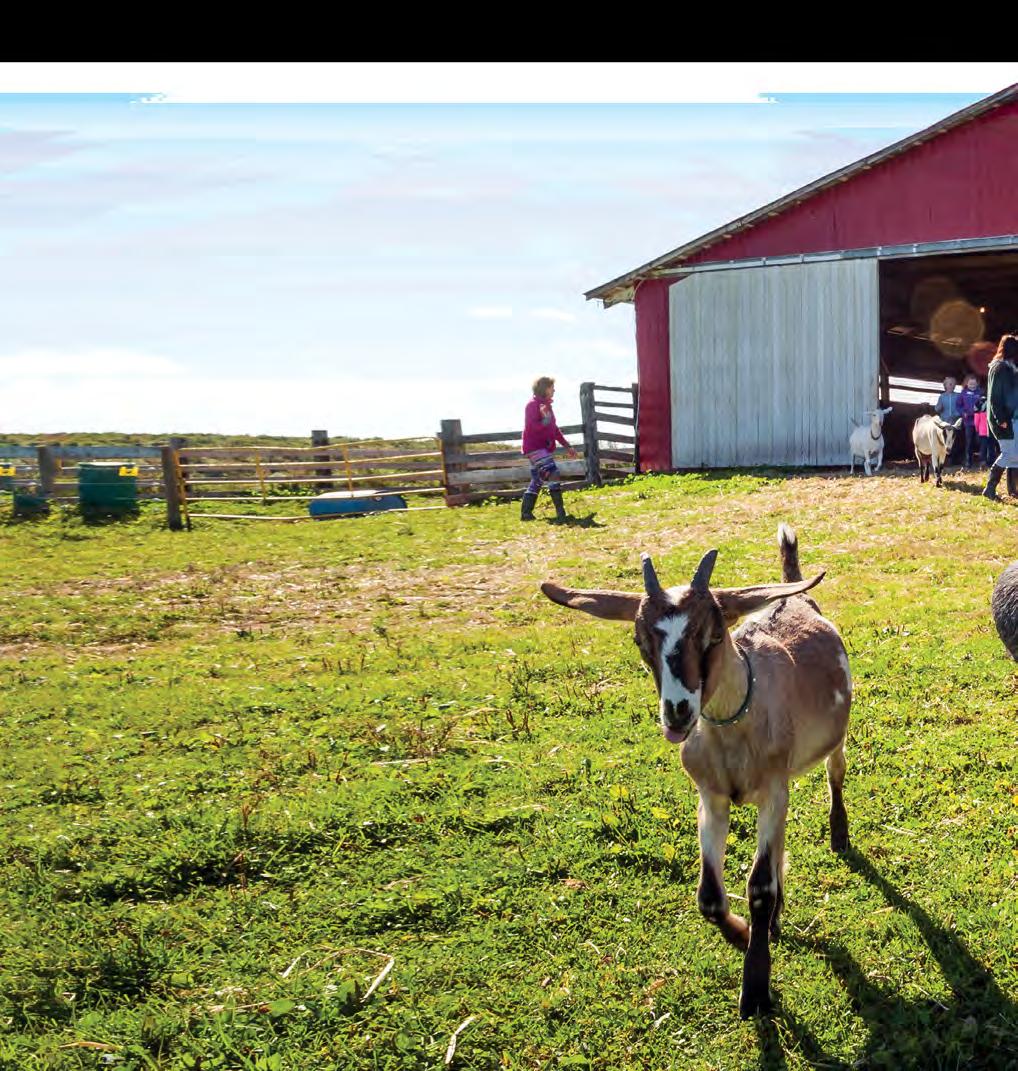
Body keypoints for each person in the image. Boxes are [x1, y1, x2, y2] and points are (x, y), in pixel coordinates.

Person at [521, 375, 578, 522]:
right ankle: (561, 513)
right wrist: (544, 422)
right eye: (552, 387)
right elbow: (531, 427)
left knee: (538, 479)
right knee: (553, 472)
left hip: (542, 448)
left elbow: (554, 429)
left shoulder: (546, 407)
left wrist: (567, 446)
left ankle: (526, 513)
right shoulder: (532, 405)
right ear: (544, 388)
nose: (554, 390)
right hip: (534, 447)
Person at [981, 335, 1018, 500]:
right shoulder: (1000, 368)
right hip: (1003, 419)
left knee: (1015, 453)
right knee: (1008, 453)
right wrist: (1000, 418)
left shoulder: (1009, 368)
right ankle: (989, 489)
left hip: (1010, 417)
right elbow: (995, 396)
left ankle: (1013, 489)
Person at [958, 373, 986, 469]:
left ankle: (982, 461)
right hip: (968, 422)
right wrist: (963, 412)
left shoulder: (981, 392)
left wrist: (981, 411)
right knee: (969, 441)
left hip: (980, 421)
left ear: (977, 383)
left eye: (974, 384)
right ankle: (968, 462)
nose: (972, 386)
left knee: (980, 441)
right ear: (967, 384)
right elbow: (958, 405)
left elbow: (985, 404)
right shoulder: (963, 393)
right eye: (970, 384)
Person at [935, 375, 963, 466]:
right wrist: (939, 407)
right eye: (949, 384)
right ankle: (945, 459)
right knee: (944, 441)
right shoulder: (942, 397)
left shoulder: (958, 396)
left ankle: (955, 459)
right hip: (945, 422)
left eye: (953, 384)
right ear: (945, 385)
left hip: (955, 422)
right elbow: (937, 408)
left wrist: (958, 414)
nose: (951, 385)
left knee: (955, 441)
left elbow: (961, 407)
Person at [974, 399, 995, 468]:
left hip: (982, 431)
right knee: (991, 447)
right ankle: (991, 462)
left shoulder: (978, 406)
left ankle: (983, 462)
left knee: (983, 447)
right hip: (992, 431)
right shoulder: (992, 404)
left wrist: (977, 429)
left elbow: (976, 421)